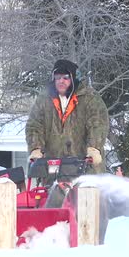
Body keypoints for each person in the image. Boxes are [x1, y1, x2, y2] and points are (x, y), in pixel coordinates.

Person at [25, 59, 110, 243]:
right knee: (52, 200)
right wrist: (35, 148)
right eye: (57, 78)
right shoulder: (44, 100)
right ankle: (48, 240)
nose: (61, 81)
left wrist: (94, 147)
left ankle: (95, 243)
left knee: (96, 206)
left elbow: (98, 123)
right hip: (55, 165)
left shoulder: (89, 99)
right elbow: (34, 125)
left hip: (85, 166)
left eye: (65, 77)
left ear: (73, 79)